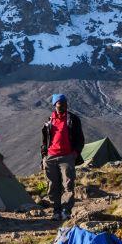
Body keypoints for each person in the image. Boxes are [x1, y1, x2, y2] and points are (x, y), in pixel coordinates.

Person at [41, 93, 84, 221]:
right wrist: (44, 156)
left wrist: (74, 154)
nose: (62, 106)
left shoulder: (73, 119)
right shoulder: (49, 120)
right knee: (52, 185)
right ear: (55, 105)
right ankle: (56, 210)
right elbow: (44, 140)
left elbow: (80, 139)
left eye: (64, 103)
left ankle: (66, 210)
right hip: (51, 156)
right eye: (59, 104)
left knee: (68, 184)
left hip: (67, 156)